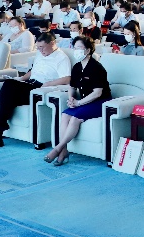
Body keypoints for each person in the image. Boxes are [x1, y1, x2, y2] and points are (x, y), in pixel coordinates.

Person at [0, 33, 72, 149]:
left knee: (8, 88)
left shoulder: (61, 58)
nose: (40, 50)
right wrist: (21, 79)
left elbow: (66, 78)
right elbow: (33, 71)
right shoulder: (40, 54)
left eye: (42, 47)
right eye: (38, 47)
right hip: (29, 84)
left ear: (52, 43)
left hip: (40, 89)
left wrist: (47, 84)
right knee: (5, 94)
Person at [43, 35, 112, 165]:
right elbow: (72, 87)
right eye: (75, 48)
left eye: (79, 48)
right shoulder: (77, 67)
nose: (76, 51)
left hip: (100, 102)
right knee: (65, 114)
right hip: (85, 101)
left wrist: (79, 103)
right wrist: (71, 98)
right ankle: (64, 151)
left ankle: (58, 148)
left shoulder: (97, 68)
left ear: (88, 50)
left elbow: (97, 93)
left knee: (75, 118)